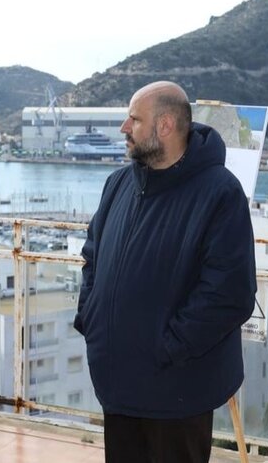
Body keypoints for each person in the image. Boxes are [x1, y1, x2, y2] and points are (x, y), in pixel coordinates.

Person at [73, 81, 257, 463]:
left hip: (178, 391)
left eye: (134, 119)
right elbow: (93, 256)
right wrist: (91, 320)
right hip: (119, 385)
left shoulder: (220, 192)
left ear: (165, 126)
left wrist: (167, 346)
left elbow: (229, 294)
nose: (124, 127)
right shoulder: (118, 183)